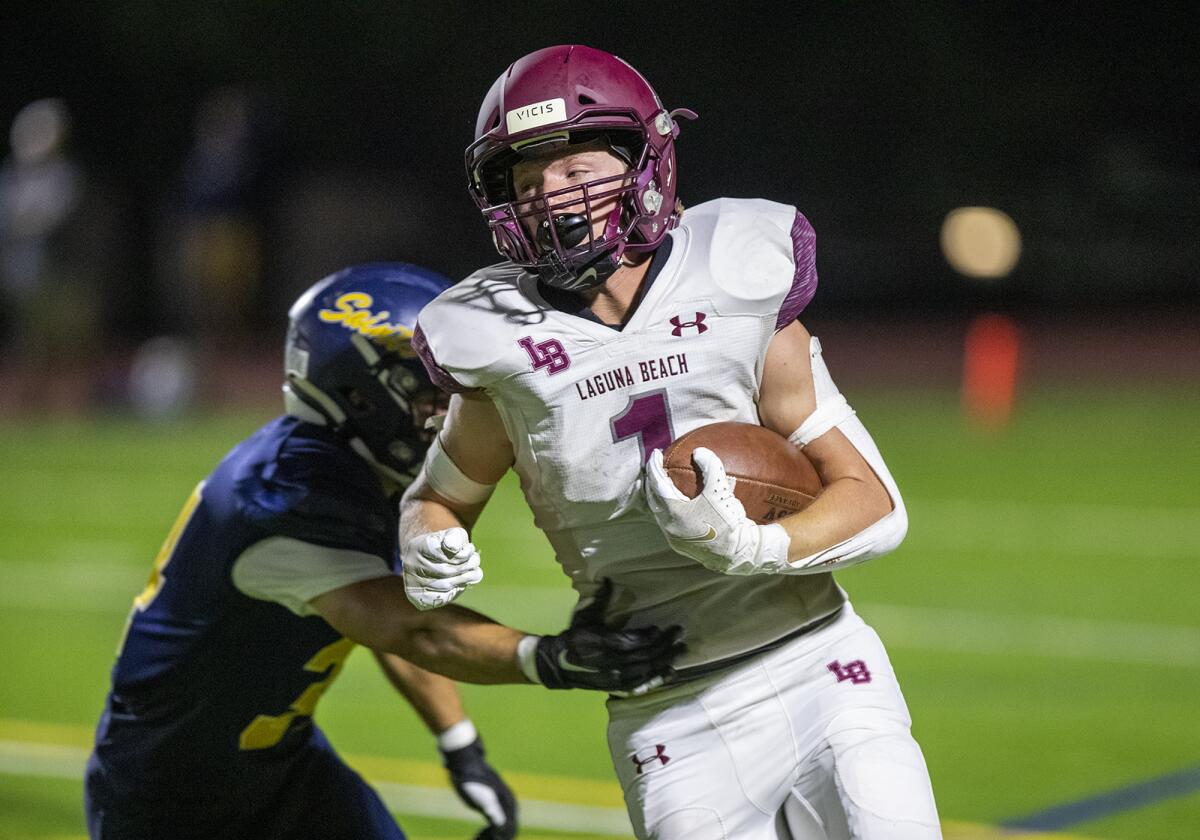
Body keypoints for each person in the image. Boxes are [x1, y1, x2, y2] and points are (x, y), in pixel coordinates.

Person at [400, 46, 942, 839]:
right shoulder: (492, 336)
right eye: (526, 182)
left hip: (821, 665)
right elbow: (440, 497)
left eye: (576, 171)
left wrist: (760, 547)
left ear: (644, 160)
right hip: (669, 711)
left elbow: (874, 504)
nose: (551, 199)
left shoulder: (733, 267)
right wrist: (427, 543)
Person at [85, 262, 684, 840]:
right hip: (167, 790)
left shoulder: (354, 469)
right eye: (425, 387)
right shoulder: (282, 498)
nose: (446, 405)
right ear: (356, 388)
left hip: (283, 761)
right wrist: (547, 658)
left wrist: (459, 745)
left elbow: (392, 605)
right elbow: (405, 629)